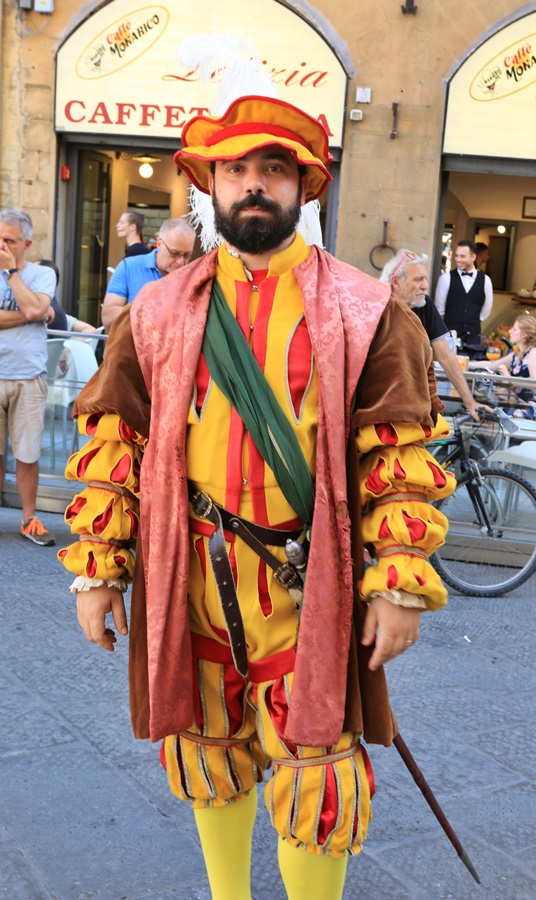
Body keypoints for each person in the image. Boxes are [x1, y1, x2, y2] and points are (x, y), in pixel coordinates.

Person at [59, 90, 456, 900]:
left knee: (318, 765)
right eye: (236, 169)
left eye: (272, 169)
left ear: (304, 187)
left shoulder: (369, 311)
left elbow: (400, 457)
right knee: (209, 745)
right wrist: (99, 571)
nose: (252, 185)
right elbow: (115, 443)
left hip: (306, 578)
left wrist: (401, 584)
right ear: (210, 185)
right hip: (194, 572)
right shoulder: (159, 310)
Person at [380, 249, 491, 421]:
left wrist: (471, 403)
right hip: (380, 404)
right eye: (418, 279)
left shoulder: (424, 305)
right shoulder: (376, 308)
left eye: (425, 279)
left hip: (414, 403)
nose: (425, 285)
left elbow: (446, 356)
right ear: (396, 282)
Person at [0, 208, 56, 545]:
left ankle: (29, 518)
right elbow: (35, 311)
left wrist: (10, 273)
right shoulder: (36, 285)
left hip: (29, 376)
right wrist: (33, 313)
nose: (2, 246)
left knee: (27, 454)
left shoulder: (42, 274)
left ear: (27, 244)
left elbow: (39, 309)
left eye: (9, 240)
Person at [101, 217, 196, 331]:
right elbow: (108, 318)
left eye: (187, 255)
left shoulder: (194, 276)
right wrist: (148, 310)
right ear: (159, 243)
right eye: (174, 253)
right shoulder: (129, 267)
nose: (181, 261)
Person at [471, 315, 536, 421]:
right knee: (485, 406)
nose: (510, 331)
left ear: (524, 335)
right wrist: (467, 363)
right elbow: (492, 365)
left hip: (535, 406)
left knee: (489, 410)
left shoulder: (535, 352)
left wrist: (509, 379)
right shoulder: (518, 354)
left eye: (514, 329)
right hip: (521, 403)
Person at [435, 239, 494, 358]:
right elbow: (440, 310)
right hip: (450, 338)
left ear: (473, 257)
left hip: (474, 339)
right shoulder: (446, 278)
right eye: (456, 256)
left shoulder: (485, 280)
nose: (457, 259)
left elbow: (486, 310)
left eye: (462, 256)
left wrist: (471, 320)